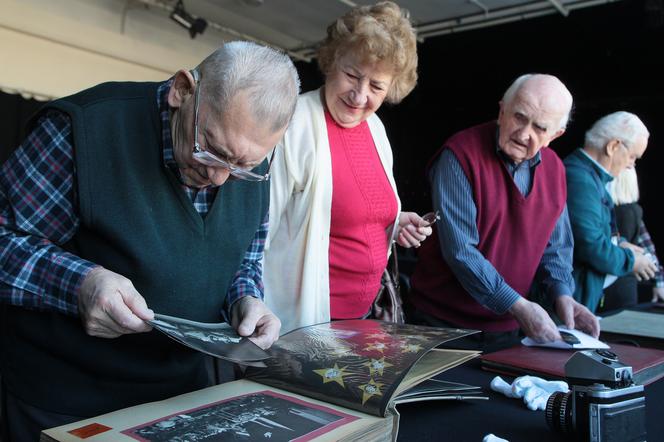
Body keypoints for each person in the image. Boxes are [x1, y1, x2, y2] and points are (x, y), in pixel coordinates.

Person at [0, 41, 300, 440]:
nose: (220, 178)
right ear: (182, 90)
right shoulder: (84, 129)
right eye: (210, 150)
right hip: (63, 402)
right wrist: (80, 284)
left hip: (180, 398)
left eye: (243, 166)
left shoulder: (249, 159)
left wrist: (245, 298)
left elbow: (243, 259)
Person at [263, 1, 432, 333]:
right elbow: (259, 232)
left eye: (377, 87)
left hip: (361, 321)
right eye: (352, 75)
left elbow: (354, 212)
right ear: (331, 62)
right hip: (301, 325)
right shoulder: (295, 123)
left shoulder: (375, 129)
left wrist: (393, 224)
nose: (359, 95)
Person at [409, 74, 599, 353]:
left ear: (555, 135)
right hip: (441, 327)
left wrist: (562, 294)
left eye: (539, 127)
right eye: (519, 117)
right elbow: (461, 251)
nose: (524, 134)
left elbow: (556, 247)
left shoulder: (555, 169)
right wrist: (517, 305)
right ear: (502, 110)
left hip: (508, 328)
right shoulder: (460, 155)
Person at [565, 112, 657, 313]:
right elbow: (590, 245)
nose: (631, 165)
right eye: (632, 156)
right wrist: (631, 261)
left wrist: (620, 243)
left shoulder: (590, 178)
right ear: (613, 146)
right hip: (570, 304)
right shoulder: (581, 180)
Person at [608, 167, 664, 302]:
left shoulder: (603, 210)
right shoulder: (634, 212)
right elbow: (648, 248)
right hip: (625, 287)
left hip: (603, 284)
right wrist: (659, 281)